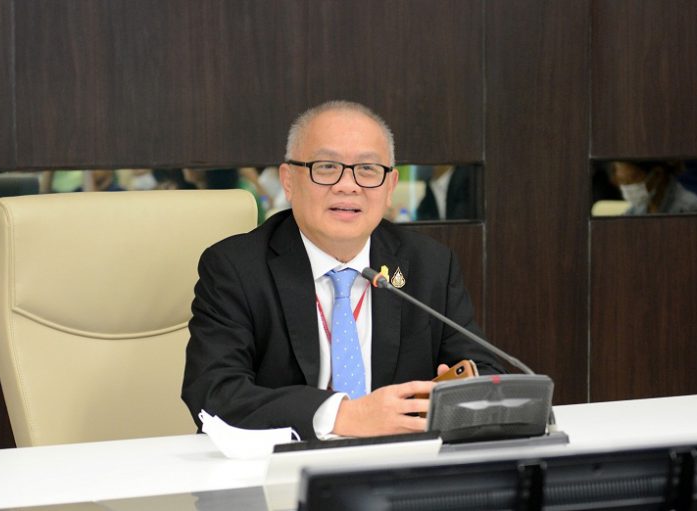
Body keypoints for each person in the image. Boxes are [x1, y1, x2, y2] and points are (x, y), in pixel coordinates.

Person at [182, 100, 504, 440]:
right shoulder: (236, 268)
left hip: (400, 461)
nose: (348, 185)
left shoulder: (429, 265)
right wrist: (342, 416)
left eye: (367, 169)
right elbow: (213, 393)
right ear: (288, 180)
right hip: (284, 464)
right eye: (326, 167)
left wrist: (452, 397)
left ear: (390, 186)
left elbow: (485, 372)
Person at [612, 160, 697, 215]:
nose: (626, 187)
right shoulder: (636, 210)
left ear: (657, 174)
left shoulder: (690, 209)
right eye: (622, 181)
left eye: (631, 180)